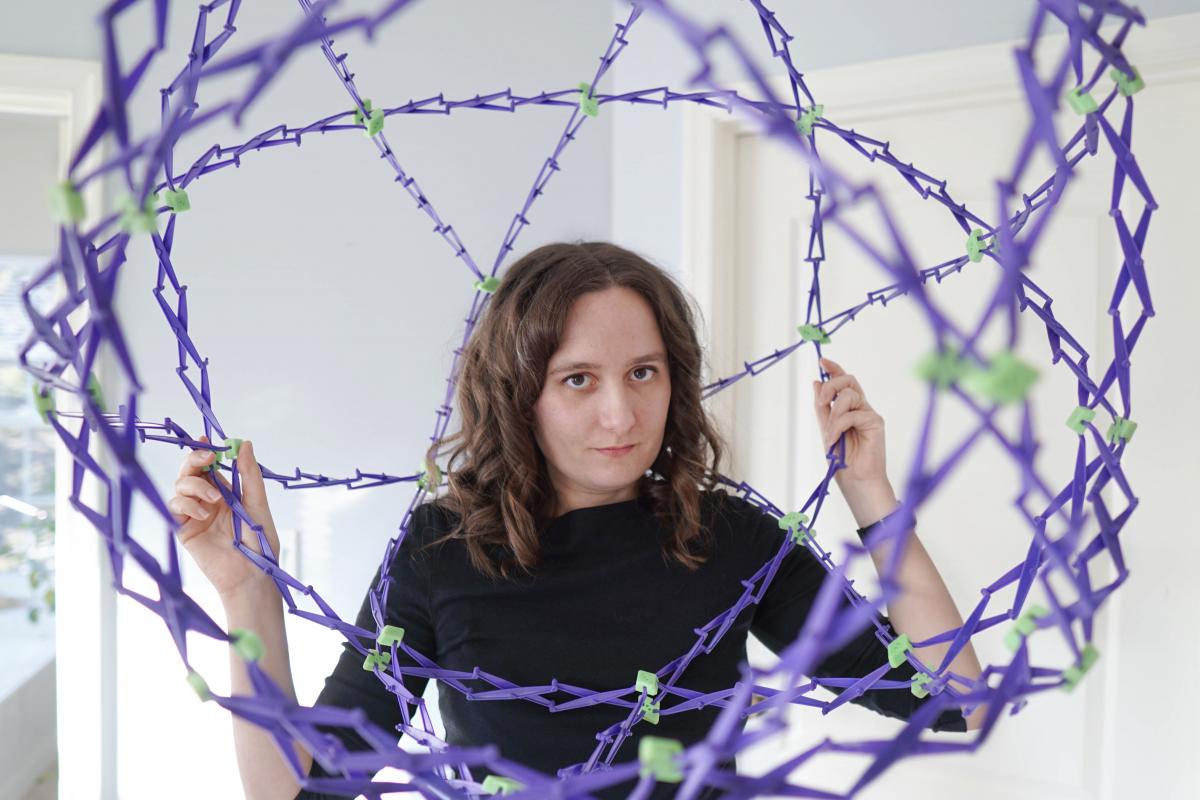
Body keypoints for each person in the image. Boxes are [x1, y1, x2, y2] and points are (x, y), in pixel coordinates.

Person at [168, 241, 985, 800]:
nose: (621, 414)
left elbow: (956, 701)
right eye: (579, 380)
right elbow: (303, 790)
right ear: (519, 393)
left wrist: (872, 496)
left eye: (643, 372)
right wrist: (247, 592)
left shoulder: (731, 539)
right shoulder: (443, 552)